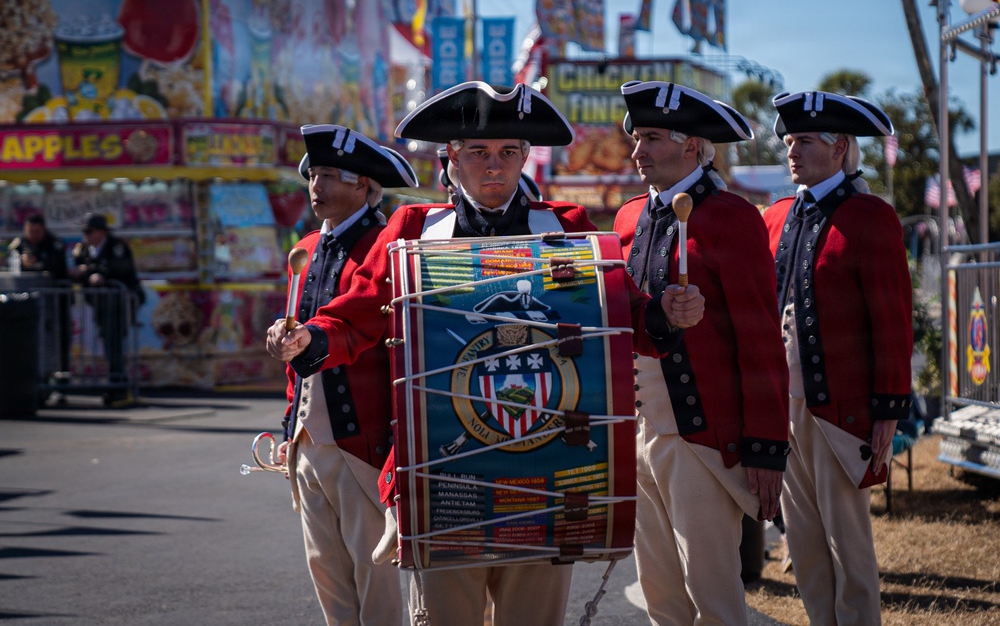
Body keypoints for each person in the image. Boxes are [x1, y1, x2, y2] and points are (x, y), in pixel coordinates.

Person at [266, 81, 705, 626]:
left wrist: (665, 312)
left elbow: (627, 314)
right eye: (477, 153)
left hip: (549, 471)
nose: (493, 166)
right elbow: (359, 309)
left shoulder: (565, 227)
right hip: (444, 477)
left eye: (507, 152)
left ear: (525, 156)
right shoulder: (415, 231)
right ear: (451, 157)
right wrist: (315, 336)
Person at [613, 80, 790, 625]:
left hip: (702, 435)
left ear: (693, 145)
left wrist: (765, 447)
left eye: (652, 138)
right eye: (636, 138)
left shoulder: (732, 216)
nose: (638, 150)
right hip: (640, 429)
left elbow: (759, 337)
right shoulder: (626, 218)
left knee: (713, 595)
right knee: (659, 594)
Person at [762, 90, 913, 625]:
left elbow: (893, 320)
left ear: (840, 147)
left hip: (841, 408)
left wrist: (888, 410)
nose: (791, 151)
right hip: (785, 409)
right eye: (788, 141)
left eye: (803, 141)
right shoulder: (779, 215)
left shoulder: (871, 217)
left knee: (849, 545)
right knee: (802, 542)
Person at [265, 124, 418, 625]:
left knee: (374, 576)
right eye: (314, 174)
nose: (316, 184)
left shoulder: (386, 244)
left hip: (366, 443)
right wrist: (291, 429)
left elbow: (372, 334)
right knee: (326, 570)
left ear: (363, 186)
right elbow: (300, 357)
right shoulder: (307, 246)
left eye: (331, 174)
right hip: (310, 443)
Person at [72, 213, 142, 386]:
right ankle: (115, 377)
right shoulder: (84, 249)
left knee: (115, 338)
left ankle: (118, 379)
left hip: (119, 301)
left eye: (90, 231)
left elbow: (120, 269)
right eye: (84, 231)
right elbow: (78, 268)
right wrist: (85, 273)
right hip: (100, 302)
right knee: (107, 338)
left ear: (102, 232)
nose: (86, 235)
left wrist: (92, 272)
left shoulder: (117, 246)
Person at [8, 213, 72, 377]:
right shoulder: (19, 244)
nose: (33, 235)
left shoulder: (54, 243)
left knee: (58, 340)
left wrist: (36, 263)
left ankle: (60, 381)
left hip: (56, 302)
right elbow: (12, 267)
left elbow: (57, 266)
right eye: (30, 231)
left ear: (43, 230)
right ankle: (29, 377)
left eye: (36, 231)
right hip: (28, 304)